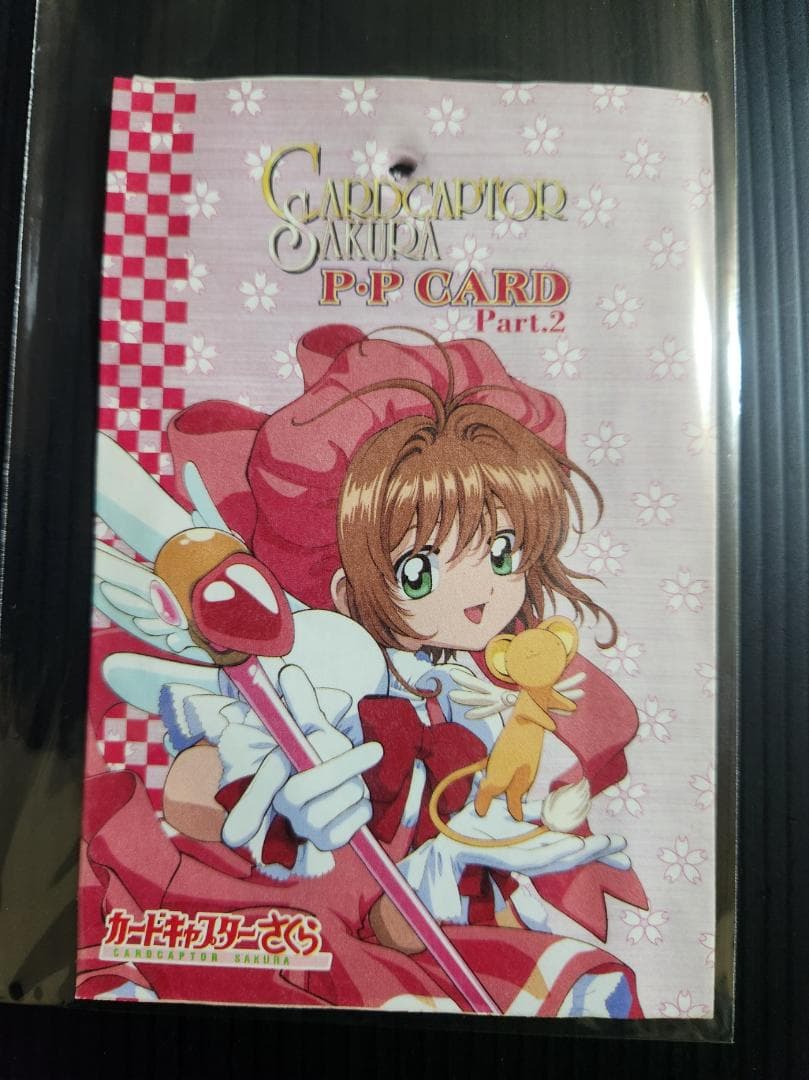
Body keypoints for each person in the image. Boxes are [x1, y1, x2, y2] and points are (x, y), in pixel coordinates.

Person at [80, 324, 648, 1016]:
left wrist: (503, 840)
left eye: (502, 552)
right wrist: (265, 797)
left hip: (430, 915)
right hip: (306, 916)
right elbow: (191, 791)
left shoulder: (489, 688)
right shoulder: (335, 666)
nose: (478, 594)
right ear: (347, 589)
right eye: (419, 571)